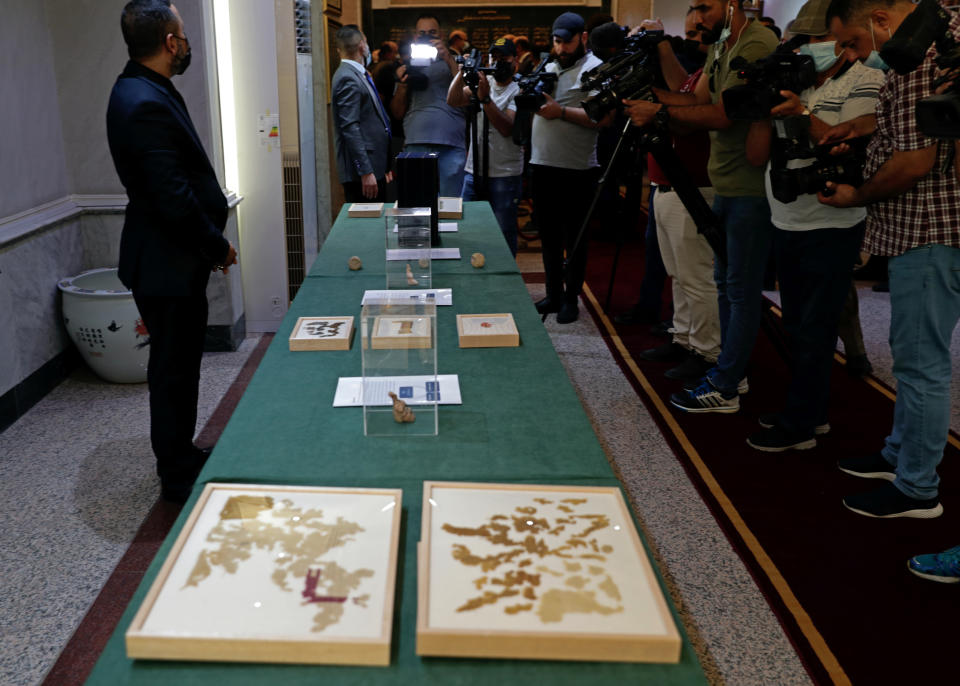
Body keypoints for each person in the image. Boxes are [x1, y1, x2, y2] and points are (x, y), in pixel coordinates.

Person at [821, 0, 960, 518]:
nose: (853, 55)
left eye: (855, 42)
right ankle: (900, 454)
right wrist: (862, 127)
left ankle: (917, 488)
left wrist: (857, 196)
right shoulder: (919, 51)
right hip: (915, 231)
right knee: (909, 353)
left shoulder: (922, 55)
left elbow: (915, 161)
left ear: (880, 19)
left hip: (930, 229)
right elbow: (905, 127)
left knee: (922, 364)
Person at [107, 0, 237, 503]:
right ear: (169, 42)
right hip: (166, 261)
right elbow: (173, 198)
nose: (186, 44)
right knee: (173, 371)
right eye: (183, 34)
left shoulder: (147, 89)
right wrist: (217, 244)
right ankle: (177, 474)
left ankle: (181, 453)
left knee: (179, 367)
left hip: (169, 259)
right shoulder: (142, 101)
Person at [624, 0, 779, 412]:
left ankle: (724, 375)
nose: (697, 17)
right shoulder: (724, 44)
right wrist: (646, 93)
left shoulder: (756, 43)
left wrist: (658, 108)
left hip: (744, 182)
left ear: (732, 4)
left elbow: (725, 114)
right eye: (692, 9)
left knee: (735, 290)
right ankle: (716, 363)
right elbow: (692, 98)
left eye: (704, 7)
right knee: (719, 284)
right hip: (726, 180)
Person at [742, 0, 883, 451]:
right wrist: (767, 107)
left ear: (840, 44)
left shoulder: (868, 79)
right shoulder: (793, 86)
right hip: (787, 218)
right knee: (799, 321)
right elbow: (756, 156)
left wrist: (801, 114)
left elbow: (843, 146)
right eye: (798, 41)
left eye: (815, 41)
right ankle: (809, 412)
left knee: (816, 326)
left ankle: (801, 423)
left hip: (831, 221)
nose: (806, 49)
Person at [626, 12, 719, 383]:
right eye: (691, 30)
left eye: (699, 30)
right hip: (668, 182)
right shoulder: (699, 73)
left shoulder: (715, 70)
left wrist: (658, 105)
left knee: (696, 275)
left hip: (692, 183)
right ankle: (683, 338)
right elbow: (682, 95)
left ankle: (707, 350)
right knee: (678, 273)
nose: (693, 36)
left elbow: (690, 107)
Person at [530, 12, 608, 324]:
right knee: (548, 236)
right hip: (543, 164)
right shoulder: (545, 66)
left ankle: (571, 298)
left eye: (567, 41)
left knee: (575, 237)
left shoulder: (594, 69)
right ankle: (553, 293)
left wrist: (560, 111)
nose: (561, 48)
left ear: (583, 39)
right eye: (557, 41)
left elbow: (601, 118)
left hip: (577, 169)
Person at [447, 37, 524, 255]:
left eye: (504, 58)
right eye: (494, 58)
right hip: (475, 172)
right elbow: (452, 100)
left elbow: (507, 127)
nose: (498, 63)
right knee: (468, 228)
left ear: (514, 61)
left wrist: (485, 100)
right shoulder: (484, 82)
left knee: (503, 233)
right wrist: (462, 73)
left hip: (505, 173)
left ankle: (504, 281)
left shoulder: (519, 89)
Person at [391, 14, 467, 196]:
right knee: (417, 206)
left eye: (432, 33)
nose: (426, 37)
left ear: (441, 35)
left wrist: (448, 57)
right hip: (416, 142)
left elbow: (467, 93)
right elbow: (397, 112)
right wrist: (401, 84)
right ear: (415, 37)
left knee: (450, 206)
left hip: (451, 143)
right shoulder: (408, 66)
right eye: (422, 33)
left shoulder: (455, 61)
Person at [330, 25, 393, 203]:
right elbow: (350, 128)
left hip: (375, 167)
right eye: (365, 42)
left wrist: (383, 166)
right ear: (362, 47)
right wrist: (365, 171)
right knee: (367, 227)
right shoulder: (347, 78)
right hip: (362, 174)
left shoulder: (358, 74)